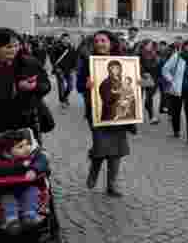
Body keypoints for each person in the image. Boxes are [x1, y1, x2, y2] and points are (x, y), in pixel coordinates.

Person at [0, 28, 52, 137]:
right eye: (8, 47)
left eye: (16, 46)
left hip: (27, 122)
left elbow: (46, 85)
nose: (14, 50)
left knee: (27, 153)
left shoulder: (30, 63)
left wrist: (34, 86)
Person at [77, 30, 133, 196]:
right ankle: (94, 170)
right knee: (100, 145)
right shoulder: (88, 62)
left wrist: (139, 82)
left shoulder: (125, 61)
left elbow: (132, 84)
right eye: (97, 41)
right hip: (97, 111)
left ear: (111, 43)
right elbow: (79, 85)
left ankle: (112, 184)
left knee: (117, 149)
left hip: (120, 114)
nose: (100, 43)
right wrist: (85, 85)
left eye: (103, 40)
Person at [0, 130, 48, 234]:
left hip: (26, 186)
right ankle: (11, 220)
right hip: (6, 190)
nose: (27, 148)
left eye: (27, 144)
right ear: (7, 153)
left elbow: (42, 160)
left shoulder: (32, 157)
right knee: (7, 200)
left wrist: (35, 169)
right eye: (20, 147)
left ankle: (30, 216)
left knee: (32, 193)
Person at [50, 33, 78, 107]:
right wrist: (56, 68)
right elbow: (52, 59)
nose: (66, 40)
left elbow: (74, 59)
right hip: (60, 70)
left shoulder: (71, 48)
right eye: (64, 39)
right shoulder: (56, 47)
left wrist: (74, 68)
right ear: (61, 39)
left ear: (69, 39)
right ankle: (62, 101)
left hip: (69, 70)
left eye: (67, 39)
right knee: (61, 86)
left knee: (70, 86)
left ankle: (65, 97)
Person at [137, 40, 162, 125]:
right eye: (149, 45)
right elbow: (137, 64)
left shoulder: (154, 54)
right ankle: (138, 116)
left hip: (152, 78)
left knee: (149, 97)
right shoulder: (140, 53)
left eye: (151, 45)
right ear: (144, 45)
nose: (150, 46)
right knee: (139, 97)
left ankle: (151, 116)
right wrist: (143, 72)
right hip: (143, 77)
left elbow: (157, 66)